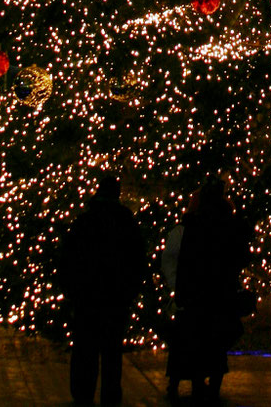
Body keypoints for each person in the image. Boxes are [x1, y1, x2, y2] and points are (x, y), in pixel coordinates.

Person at [59, 170, 146, 407]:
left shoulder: (85, 221)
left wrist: (72, 290)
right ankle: (110, 395)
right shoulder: (126, 222)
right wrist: (130, 290)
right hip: (116, 297)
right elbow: (138, 259)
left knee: (85, 348)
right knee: (111, 352)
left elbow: (68, 258)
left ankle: (82, 392)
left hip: (87, 296)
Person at [162, 177, 250, 402]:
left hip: (194, 292)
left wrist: (179, 287)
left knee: (189, 339)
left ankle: (187, 381)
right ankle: (213, 383)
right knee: (216, 341)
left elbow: (180, 259)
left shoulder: (192, 224)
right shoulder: (229, 224)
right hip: (220, 292)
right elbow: (240, 256)